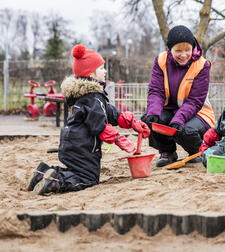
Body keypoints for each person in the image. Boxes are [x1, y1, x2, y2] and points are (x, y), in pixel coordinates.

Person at [27, 44, 150, 195]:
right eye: (101, 68)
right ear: (91, 74)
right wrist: (118, 139)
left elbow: (110, 113)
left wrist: (131, 122)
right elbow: (98, 125)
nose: (105, 71)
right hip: (83, 147)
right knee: (87, 178)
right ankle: (55, 180)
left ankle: (42, 172)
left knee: (75, 171)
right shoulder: (93, 98)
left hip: (73, 143)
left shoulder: (90, 96)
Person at [142, 25, 215, 167]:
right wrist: (153, 112)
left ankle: (198, 151)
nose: (183, 55)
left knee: (184, 131)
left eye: (187, 50)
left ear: (193, 47)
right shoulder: (161, 60)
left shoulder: (202, 65)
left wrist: (179, 119)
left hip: (198, 112)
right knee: (152, 120)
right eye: (178, 50)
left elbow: (195, 101)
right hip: (170, 110)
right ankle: (167, 152)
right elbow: (156, 91)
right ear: (170, 49)